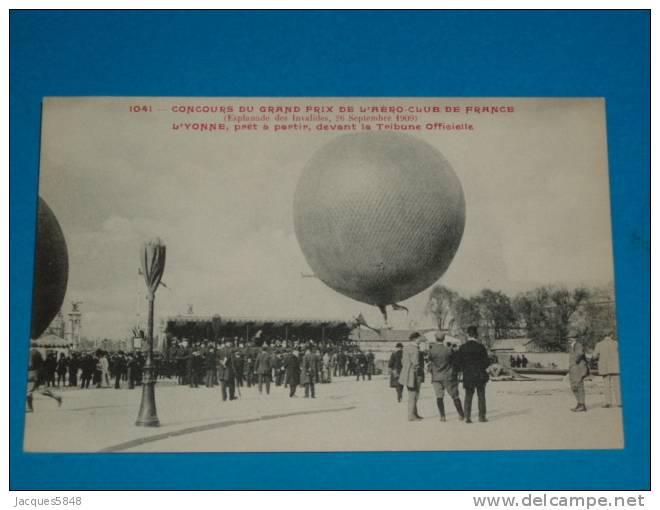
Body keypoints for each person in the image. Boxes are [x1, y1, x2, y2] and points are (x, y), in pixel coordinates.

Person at [454, 326, 490, 423]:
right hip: (480, 374)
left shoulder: (462, 348)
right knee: (481, 396)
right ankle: (482, 417)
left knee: (468, 396)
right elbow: (487, 362)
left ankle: (467, 417)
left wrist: (464, 368)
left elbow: (458, 362)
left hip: (468, 374)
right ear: (476, 335)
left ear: (467, 334)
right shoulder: (481, 347)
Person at [428, 332, 464, 422]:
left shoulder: (432, 350)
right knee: (455, 396)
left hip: (436, 377)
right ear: (444, 339)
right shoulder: (449, 350)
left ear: (435, 339)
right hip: (448, 376)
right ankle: (461, 414)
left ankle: (442, 416)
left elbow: (430, 361)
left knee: (439, 396)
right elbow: (454, 361)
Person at [26, 343, 62, 412]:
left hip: (33, 374)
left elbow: (30, 365)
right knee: (42, 390)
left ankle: (30, 408)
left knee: (28, 391)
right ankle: (56, 397)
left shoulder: (31, 353)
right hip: (41, 374)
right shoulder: (38, 352)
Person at [591, 334, 621, 408]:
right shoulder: (616, 343)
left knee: (606, 385)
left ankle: (608, 403)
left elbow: (594, 356)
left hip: (605, 367)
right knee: (617, 385)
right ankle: (619, 402)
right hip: (615, 367)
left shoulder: (599, 344)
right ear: (611, 335)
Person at [399, 333, 424, 421]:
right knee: (414, 395)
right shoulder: (415, 349)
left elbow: (402, 361)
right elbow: (416, 363)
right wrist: (420, 374)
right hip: (414, 375)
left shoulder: (406, 348)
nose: (420, 340)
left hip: (406, 374)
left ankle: (414, 414)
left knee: (411, 395)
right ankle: (411, 415)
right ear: (415, 339)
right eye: (419, 338)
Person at [567, 332, 589, 412]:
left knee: (579, 386)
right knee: (574, 386)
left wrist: (575, 361)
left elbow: (580, 353)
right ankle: (579, 403)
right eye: (568, 338)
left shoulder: (578, 345)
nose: (568, 339)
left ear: (575, 338)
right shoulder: (572, 346)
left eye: (570, 338)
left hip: (578, 369)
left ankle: (582, 405)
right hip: (573, 369)